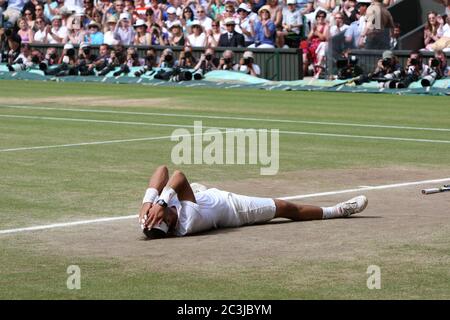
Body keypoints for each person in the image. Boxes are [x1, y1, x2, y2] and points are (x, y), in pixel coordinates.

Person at [138, 166, 368, 239]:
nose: (160, 214)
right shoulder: (187, 222)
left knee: (183, 190)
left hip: (203, 197)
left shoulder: (157, 217)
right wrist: (160, 202)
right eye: (162, 217)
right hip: (234, 208)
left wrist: (147, 202)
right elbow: (178, 175)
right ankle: (337, 211)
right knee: (286, 208)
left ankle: (200, 191)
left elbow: (162, 169)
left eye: (157, 216)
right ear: (169, 222)